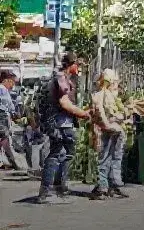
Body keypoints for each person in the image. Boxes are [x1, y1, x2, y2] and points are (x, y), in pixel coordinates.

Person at [37, 52, 90, 204]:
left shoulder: (61, 78)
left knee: (64, 153)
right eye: (78, 65)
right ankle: (49, 190)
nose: (79, 69)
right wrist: (83, 113)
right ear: (72, 65)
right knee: (59, 154)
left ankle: (56, 188)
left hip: (58, 123)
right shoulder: (61, 79)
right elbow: (65, 103)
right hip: (61, 124)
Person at [89, 69, 129, 200]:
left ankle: (104, 187)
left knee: (106, 158)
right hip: (114, 130)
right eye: (115, 81)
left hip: (108, 130)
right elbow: (122, 114)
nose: (117, 83)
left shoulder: (100, 95)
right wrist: (118, 118)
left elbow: (96, 114)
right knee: (114, 157)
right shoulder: (110, 96)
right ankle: (112, 185)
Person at [0, 69, 24, 170]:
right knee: (4, 139)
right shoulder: (2, 89)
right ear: (6, 80)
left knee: (3, 139)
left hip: (3, 116)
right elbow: (9, 105)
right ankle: (13, 161)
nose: (12, 85)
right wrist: (15, 114)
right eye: (12, 82)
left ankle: (9, 161)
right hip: (1, 116)